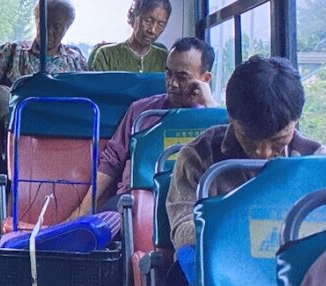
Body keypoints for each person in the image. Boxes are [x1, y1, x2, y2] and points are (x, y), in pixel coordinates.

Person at [167, 56, 326, 249]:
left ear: (295, 121)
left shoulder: (317, 161)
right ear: (230, 117)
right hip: (225, 266)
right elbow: (181, 231)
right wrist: (245, 226)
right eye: (250, 138)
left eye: (277, 141)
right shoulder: (199, 158)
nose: (263, 152)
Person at [66, 37, 217, 221]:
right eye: (168, 74)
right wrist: (82, 210)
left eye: (182, 77)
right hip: (134, 199)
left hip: (190, 202)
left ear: (205, 79)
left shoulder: (214, 120)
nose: (172, 84)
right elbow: (111, 161)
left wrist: (209, 105)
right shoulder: (142, 111)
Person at [0, 0, 87, 95]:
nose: (49, 31)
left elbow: (89, 88)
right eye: (44, 24)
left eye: (57, 26)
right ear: (36, 23)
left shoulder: (74, 57)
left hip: (62, 119)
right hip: (18, 119)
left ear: (67, 28)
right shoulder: (12, 50)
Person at [89, 0, 172, 72]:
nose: (152, 30)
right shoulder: (106, 56)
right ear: (133, 17)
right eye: (148, 21)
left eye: (160, 25)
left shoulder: (166, 59)